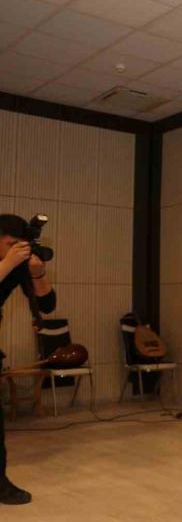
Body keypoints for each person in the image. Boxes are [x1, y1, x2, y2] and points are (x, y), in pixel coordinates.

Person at [0, 214, 57, 505]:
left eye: (19, 246)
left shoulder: (14, 266)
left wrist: (37, 272)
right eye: (10, 245)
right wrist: (7, 264)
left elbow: (48, 304)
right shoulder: (8, 264)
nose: (16, 251)